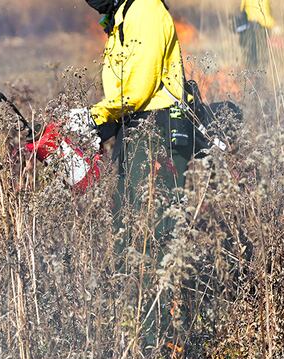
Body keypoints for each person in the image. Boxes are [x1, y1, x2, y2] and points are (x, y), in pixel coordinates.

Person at [70, 0, 194, 250]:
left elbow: (138, 87)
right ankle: (132, 287)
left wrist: (95, 115)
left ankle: (157, 290)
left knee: (153, 231)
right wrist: (104, 124)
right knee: (128, 227)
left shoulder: (145, 9)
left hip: (158, 130)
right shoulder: (121, 15)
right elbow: (123, 85)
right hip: (137, 127)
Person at [236, 0, 277, 67]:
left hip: (250, 25)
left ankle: (251, 72)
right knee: (262, 52)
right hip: (264, 25)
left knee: (250, 53)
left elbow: (241, 9)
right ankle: (260, 72)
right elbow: (267, 11)